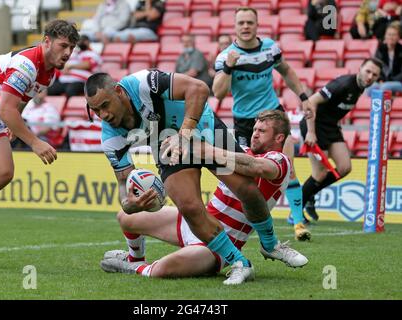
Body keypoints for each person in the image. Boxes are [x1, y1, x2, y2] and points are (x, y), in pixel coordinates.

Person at [84, 70, 278, 285]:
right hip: (166, 145)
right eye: (95, 110)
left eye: (105, 105)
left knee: (246, 189)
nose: (103, 115)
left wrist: (184, 135)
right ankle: (240, 263)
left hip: (202, 129)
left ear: (119, 91)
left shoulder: (143, 83)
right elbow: (124, 182)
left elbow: (199, 88)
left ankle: (271, 244)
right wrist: (129, 204)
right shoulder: (110, 137)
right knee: (189, 206)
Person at [100, 110, 308, 278]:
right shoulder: (240, 149)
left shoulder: (280, 160)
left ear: (279, 137)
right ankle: (135, 259)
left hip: (220, 244)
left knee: (162, 269)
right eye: (254, 128)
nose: (255, 133)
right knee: (126, 216)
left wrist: (208, 151)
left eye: (262, 131)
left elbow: (257, 167)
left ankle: (131, 268)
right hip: (199, 223)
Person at [0, 20, 79, 247]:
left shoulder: (48, 74)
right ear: (46, 41)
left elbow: (19, 102)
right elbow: (6, 109)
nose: (67, 53)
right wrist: (35, 142)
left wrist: (13, 124)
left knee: (3, 174)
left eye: (71, 48)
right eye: (63, 46)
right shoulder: (26, 65)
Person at [212, 7, 313, 241]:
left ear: (257, 25)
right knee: (248, 175)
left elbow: (286, 71)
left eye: (250, 22)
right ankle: (250, 225)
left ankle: (298, 223)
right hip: (245, 122)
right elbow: (218, 93)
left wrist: (304, 97)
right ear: (235, 27)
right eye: (241, 23)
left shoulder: (270, 48)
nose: (245, 27)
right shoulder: (225, 56)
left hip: (274, 116)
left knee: (289, 167)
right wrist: (229, 66)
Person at [300, 58, 382, 220]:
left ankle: (310, 194)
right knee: (320, 174)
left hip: (331, 127)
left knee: (344, 168)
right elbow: (311, 102)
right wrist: (310, 132)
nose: (370, 76)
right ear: (360, 69)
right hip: (315, 126)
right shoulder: (343, 84)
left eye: (374, 74)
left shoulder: (360, 88)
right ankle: (296, 212)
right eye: (368, 71)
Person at [369, 22, 402, 95]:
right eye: (389, 34)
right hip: (382, 81)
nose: (391, 37)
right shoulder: (380, 49)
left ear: (398, 37)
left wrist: (388, 80)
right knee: (370, 87)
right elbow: (375, 67)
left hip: (398, 82)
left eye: (394, 35)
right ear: (385, 36)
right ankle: (370, 106)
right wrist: (380, 79)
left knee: (385, 87)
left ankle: (383, 106)